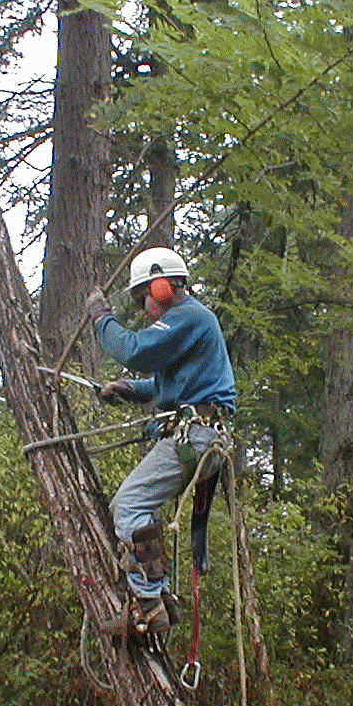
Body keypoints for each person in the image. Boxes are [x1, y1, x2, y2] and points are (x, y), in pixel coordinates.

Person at [85, 246, 237, 637]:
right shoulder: (188, 324)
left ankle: (149, 606)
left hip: (196, 434)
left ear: (163, 287)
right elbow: (165, 382)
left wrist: (102, 318)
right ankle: (161, 596)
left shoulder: (187, 316)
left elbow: (135, 350)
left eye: (143, 299)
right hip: (202, 434)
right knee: (142, 509)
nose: (142, 309)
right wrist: (128, 389)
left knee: (129, 505)